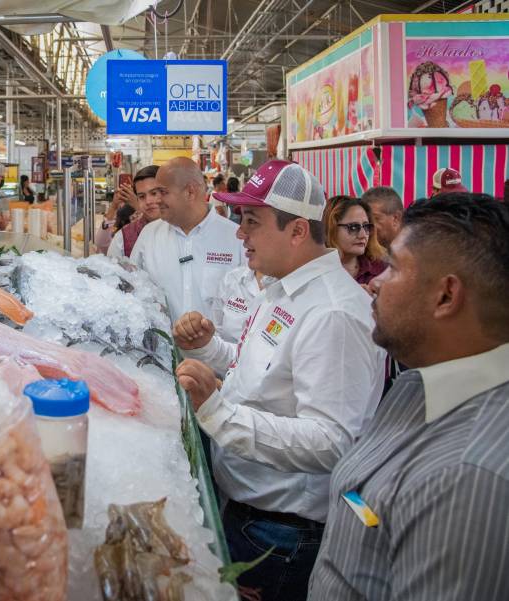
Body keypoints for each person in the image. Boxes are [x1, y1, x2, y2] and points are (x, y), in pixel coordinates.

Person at [174, 159, 384, 601]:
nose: (239, 234)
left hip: (282, 536)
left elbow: (333, 442)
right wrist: (210, 350)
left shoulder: (333, 313)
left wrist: (217, 413)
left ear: (297, 231)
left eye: (251, 222)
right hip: (251, 515)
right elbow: (262, 373)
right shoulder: (282, 288)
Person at [308, 193, 509, 601]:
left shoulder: (467, 476)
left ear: (446, 296)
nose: (376, 281)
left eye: (394, 267)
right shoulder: (417, 383)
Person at [130, 158, 244, 322]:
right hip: (164, 347)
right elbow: (133, 290)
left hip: (219, 347)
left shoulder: (235, 238)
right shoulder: (149, 236)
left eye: (162, 192)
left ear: (190, 192)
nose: (156, 200)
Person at [325, 196, 387, 285]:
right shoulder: (315, 272)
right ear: (331, 228)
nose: (363, 235)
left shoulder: (382, 270)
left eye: (366, 227)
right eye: (353, 227)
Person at [107, 165, 161, 259]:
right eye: (142, 196)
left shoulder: (185, 230)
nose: (148, 201)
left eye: (154, 193)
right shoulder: (123, 238)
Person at [362, 186, 403, 251]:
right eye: (365, 221)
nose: (367, 227)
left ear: (396, 218)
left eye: (376, 218)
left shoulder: (416, 254)